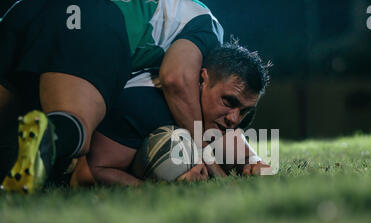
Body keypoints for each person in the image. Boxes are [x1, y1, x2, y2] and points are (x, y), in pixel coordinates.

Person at [0, 0, 224, 193]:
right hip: (87, 15)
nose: (232, 118)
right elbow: (177, 78)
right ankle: (52, 138)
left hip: (27, 9)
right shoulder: (208, 25)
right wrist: (205, 155)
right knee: (70, 124)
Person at [72, 42, 272, 187]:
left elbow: (237, 149)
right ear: (202, 80)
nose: (234, 119)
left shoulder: (218, 115)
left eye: (244, 111)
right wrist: (161, 187)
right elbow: (85, 175)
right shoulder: (143, 105)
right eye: (228, 101)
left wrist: (253, 163)